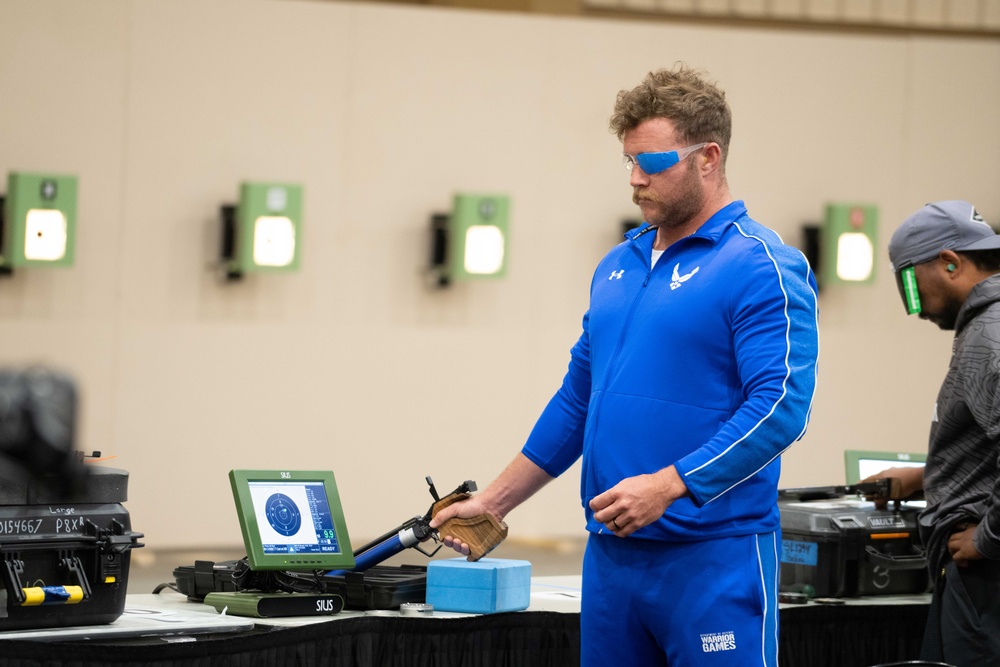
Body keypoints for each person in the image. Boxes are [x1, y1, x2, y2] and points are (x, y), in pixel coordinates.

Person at [430, 64, 819, 667]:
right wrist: (497, 501)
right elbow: (577, 402)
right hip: (612, 560)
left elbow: (779, 408)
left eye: (653, 162)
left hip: (713, 558)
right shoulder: (618, 265)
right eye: (628, 161)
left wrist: (670, 485)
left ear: (708, 157)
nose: (636, 179)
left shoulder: (761, 265)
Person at [864, 200, 1000, 665]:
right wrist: (927, 475)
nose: (913, 307)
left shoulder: (991, 334)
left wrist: (989, 538)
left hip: (986, 577)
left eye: (910, 283)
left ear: (950, 262)